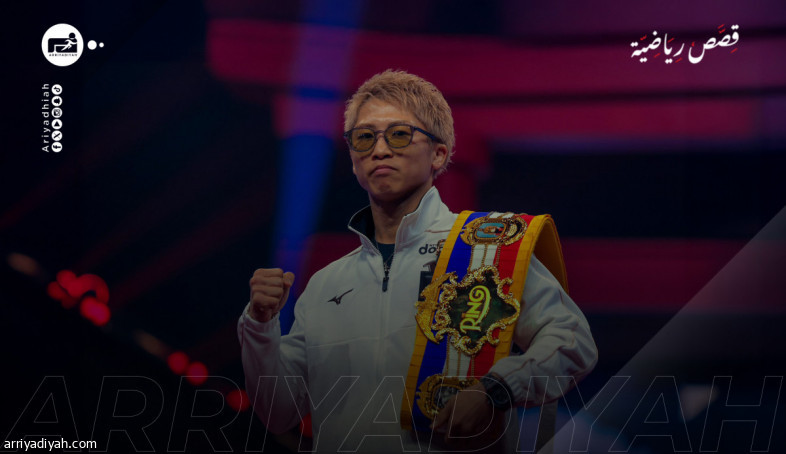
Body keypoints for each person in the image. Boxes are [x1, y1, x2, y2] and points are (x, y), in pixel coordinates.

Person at [238, 69, 598, 453]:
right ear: (354, 160)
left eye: (398, 134)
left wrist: (496, 390)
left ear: (438, 154)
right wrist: (260, 325)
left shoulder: (490, 249)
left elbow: (572, 341)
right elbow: (278, 413)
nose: (379, 150)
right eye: (364, 137)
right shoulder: (325, 284)